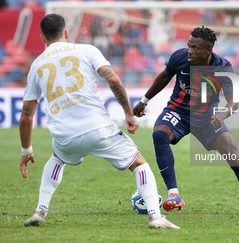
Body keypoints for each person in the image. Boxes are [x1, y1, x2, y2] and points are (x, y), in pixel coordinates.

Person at [19, 13, 180, 229]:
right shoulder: (86, 50)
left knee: (56, 159)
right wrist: (128, 114)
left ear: (42, 38)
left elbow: (26, 115)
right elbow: (112, 78)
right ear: (66, 33)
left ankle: (40, 210)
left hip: (65, 136)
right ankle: (155, 216)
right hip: (99, 129)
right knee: (139, 164)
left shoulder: (36, 66)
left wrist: (26, 150)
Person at [133, 26, 239, 215]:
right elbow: (164, 77)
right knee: (159, 134)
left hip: (206, 117)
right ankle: (174, 194)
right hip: (178, 111)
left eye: (195, 48)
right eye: (189, 45)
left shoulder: (223, 68)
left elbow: (234, 100)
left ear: (208, 51)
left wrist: (223, 114)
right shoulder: (180, 57)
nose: (190, 50)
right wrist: (144, 101)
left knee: (233, 157)